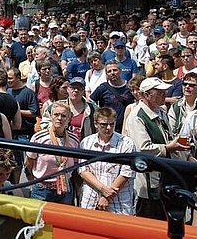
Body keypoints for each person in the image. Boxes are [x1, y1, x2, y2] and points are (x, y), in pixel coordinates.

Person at [123, 77, 191, 220]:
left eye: (164, 92)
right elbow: (142, 148)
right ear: (146, 95)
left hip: (165, 176)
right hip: (149, 181)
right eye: (160, 92)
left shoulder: (161, 111)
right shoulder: (137, 116)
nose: (164, 95)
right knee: (149, 220)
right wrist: (169, 147)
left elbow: (167, 136)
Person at [79, 108, 136, 215]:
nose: (108, 128)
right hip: (90, 200)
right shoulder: (86, 142)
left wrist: (106, 196)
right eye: (104, 124)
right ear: (95, 124)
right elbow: (83, 171)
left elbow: (126, 174)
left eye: (112, 124)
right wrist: (102, 189)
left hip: (119, 203)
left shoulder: (126, 143)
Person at [26, 102, 80, 205]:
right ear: (51, 116)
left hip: (65, 189)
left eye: (64, 116)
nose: (59, 118)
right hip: (43, 189)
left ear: (69, 119)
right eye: (56, 115)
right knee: (38, 219)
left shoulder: (74, 140)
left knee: (62, 220)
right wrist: (35, 182)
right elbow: (29, 163)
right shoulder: (39, 138)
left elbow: (76, 166)